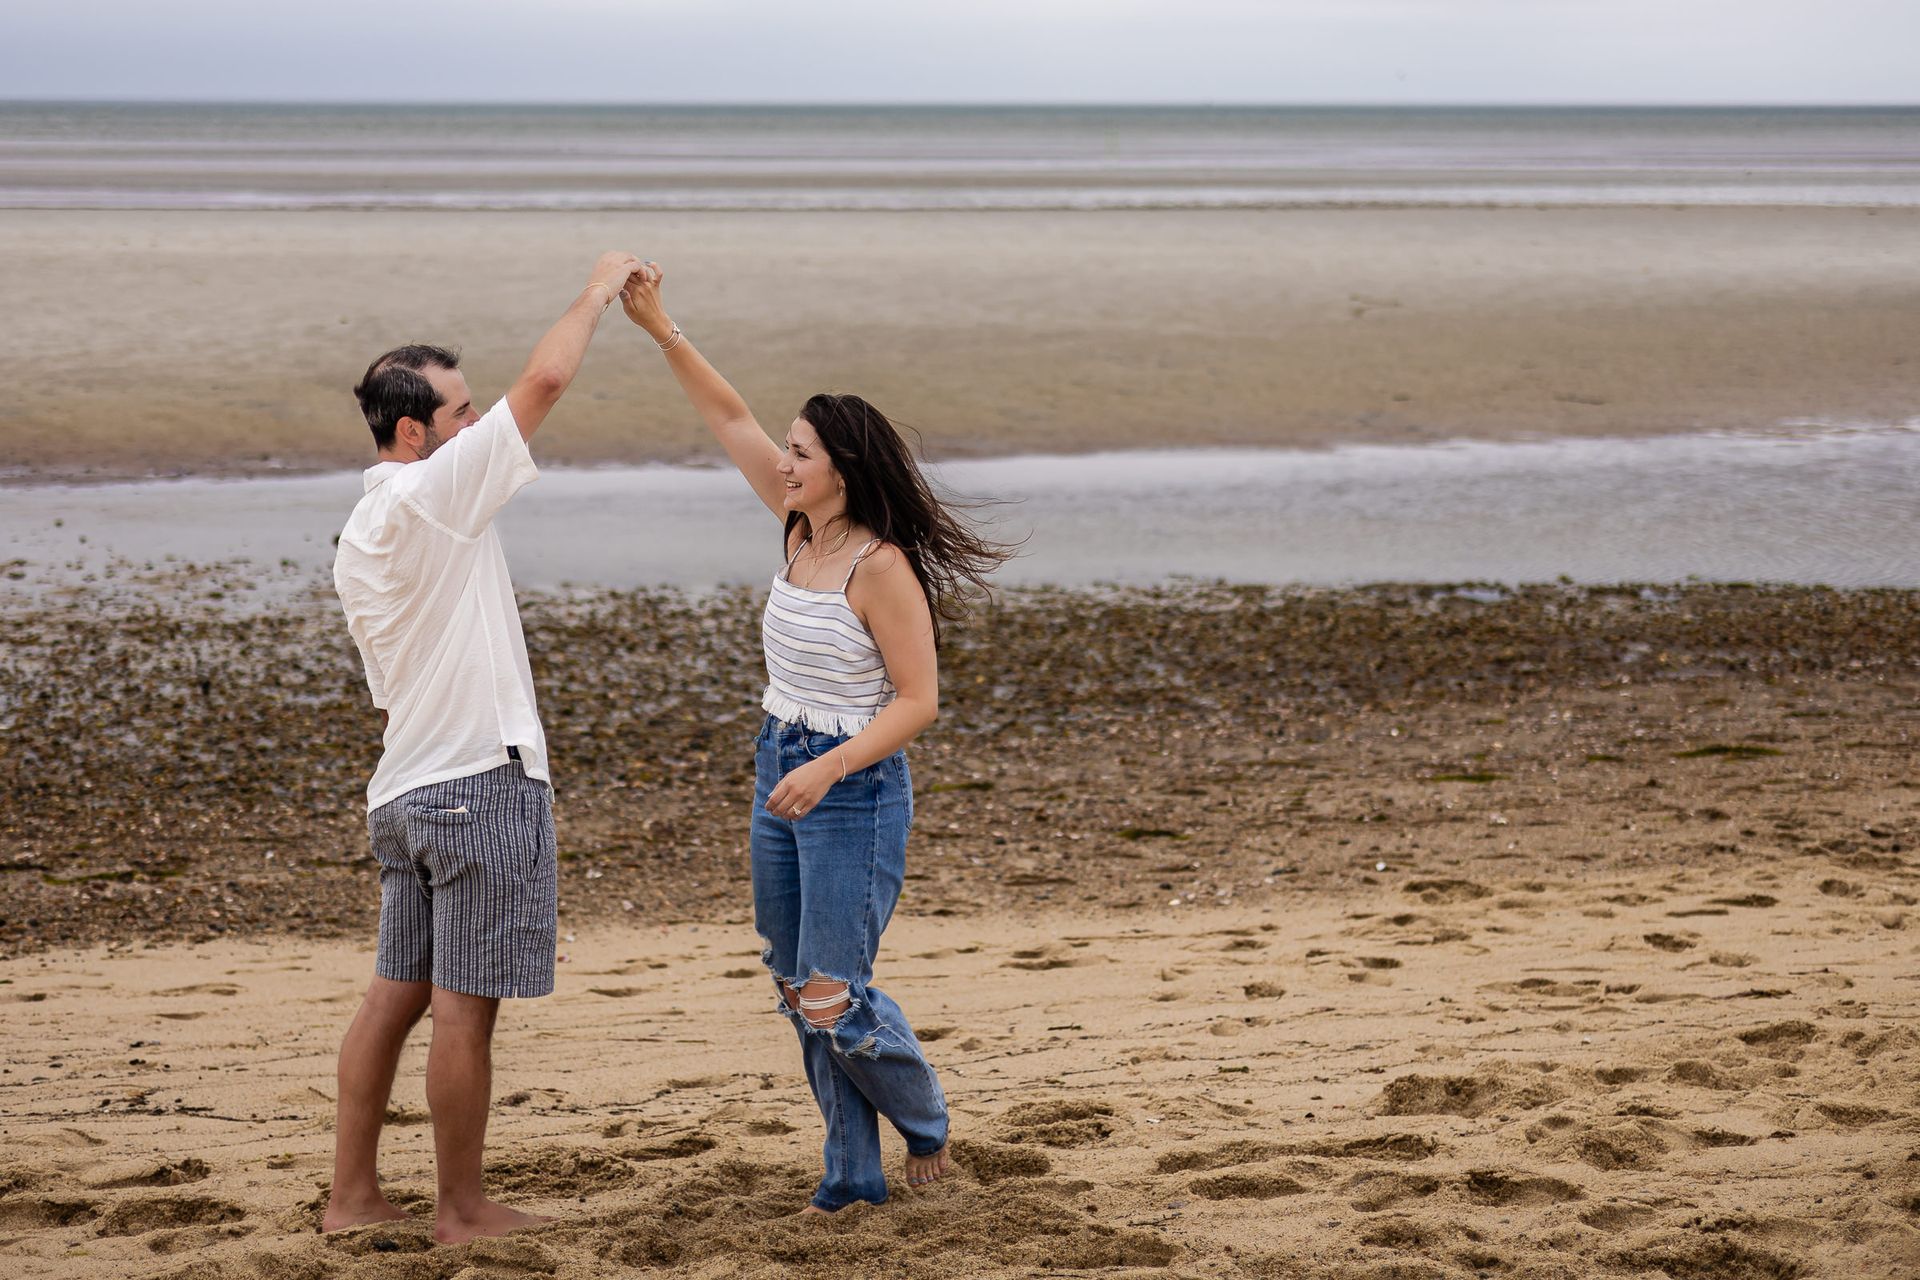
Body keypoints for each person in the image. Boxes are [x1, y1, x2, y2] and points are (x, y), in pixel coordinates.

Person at [618, 262, 1012, 1213]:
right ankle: (850, 1178)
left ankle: (924, 1121)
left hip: (853, 787)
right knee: (797, 989)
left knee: (836, 993)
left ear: (843, 468)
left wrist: (828, 769)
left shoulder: (880, 567)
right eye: (786, 449)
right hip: (778, 764)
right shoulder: (797, 526)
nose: (783, 461)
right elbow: (727, 416)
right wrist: (658, 325)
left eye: (801, 452)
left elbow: (919, 701)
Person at [323, 251, 645, 1243]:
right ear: (413, 429)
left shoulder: (362, 524)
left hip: (405, 791)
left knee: (394, 997)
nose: (476, 423)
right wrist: (600, 292)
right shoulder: (429, 493)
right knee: (466, 1007)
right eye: (460, 411)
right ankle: (460, 1207)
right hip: (473, 784)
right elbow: (545, 382)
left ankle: (354, 1197)